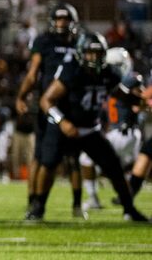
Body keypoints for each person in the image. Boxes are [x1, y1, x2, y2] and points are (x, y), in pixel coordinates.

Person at [26, 31, 148, 222]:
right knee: (48, 164)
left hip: (90, 128)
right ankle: (38, 207)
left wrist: (139, 100)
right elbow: (46, 101)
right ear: (82, 53)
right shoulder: (72, 70)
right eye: (91, 53)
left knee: (114, 168)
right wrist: (62, 122)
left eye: (99, 53)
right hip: (64, 125)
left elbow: (119, 93)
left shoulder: (107, 72)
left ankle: (129, 209)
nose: (95, 57)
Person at [15, 2, 85, 216]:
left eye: (66, 19)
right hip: (49, 105)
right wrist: (22, 95)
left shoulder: (81, 41)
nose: (62, 23)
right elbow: (33, 72)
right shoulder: (44, 41)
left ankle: (76, 205)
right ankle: (33, 201)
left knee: (73, 158)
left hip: (74, 105)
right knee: (42, 157)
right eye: (59, 19)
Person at [80, 47, 143, 209]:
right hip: (122, 132)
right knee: (113, 169)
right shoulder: (112, 80)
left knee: (86, 159)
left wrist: (141, 104)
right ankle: (127, 200)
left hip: (124, 132)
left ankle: (95, 199)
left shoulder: (128, 79)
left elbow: (140, 98)